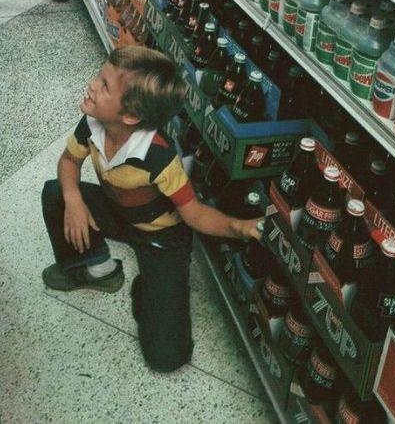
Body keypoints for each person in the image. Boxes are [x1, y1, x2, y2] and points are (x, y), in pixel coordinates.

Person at [41, 46, 262, 373]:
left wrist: (240, 228)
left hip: (161, 238)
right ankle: (93, 269)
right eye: (99, 76)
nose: (91, 84)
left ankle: (150, 290)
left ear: (130, 115)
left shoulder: (158, 157)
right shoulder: (92, 122)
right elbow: (69, 162)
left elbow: (195, 214)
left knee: (167, 358)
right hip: (119, 212)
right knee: (57, 192)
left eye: (104, 85)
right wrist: (74, 199)